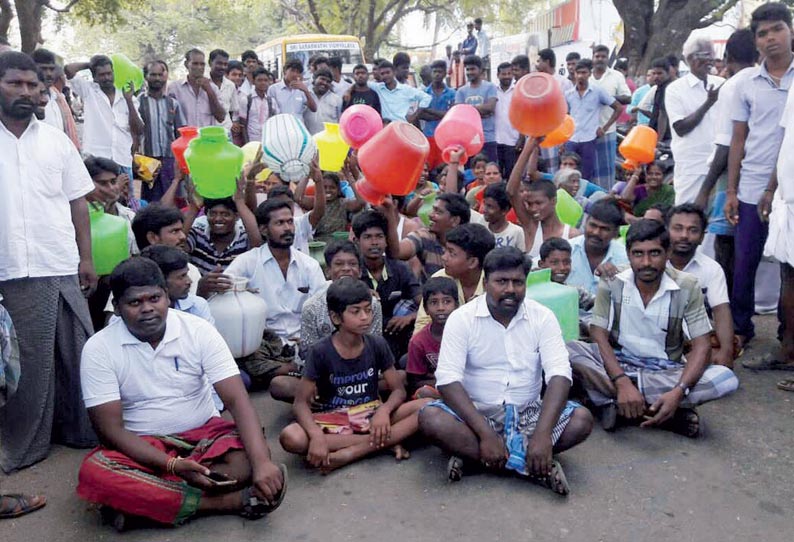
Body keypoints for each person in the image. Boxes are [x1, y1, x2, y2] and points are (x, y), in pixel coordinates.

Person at [76, 257, 286, 527]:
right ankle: (224, 502)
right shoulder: (98, 348)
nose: (148, 309)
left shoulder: (199, 331)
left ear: (167, 297)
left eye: (155, 298)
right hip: (142, 447)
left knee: (248, 462)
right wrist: (172, 465)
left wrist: (262, 465)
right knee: (96, 473)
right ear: (116, 308)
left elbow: (236, 400)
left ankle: (143, 502)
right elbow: (110, 431)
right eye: (135, 302)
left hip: (203, 438)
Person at [418, 247, 593, 493]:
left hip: (529, 414)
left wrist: (543, 434)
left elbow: (559, 375)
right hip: (476, 414)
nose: (510, 289)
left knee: (581, 420)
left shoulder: (542, 317)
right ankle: (533, 466)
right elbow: (447, 381)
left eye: (518, 282)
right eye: (501, 281)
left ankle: (477, 457)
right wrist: (486, 434)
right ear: (486, 282)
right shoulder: (462, 319)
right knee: (431, 418)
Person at [0, 51, 97, 472]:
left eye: (32, 85)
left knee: (76, 353)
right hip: (10, 269)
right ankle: (24, 445)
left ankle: (80, 431)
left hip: (59, 261)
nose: (25, 92)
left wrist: (86, 258)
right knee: (25, 363)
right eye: (14, 84)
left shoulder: (57, 140)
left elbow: (78, 204)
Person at [566, 220, 739, 436]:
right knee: (569, 350)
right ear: (628, 254)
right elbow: (598, 334)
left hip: (666, 371)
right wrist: (621, 381)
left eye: (654, 253)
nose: (646, 262)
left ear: (667, 253)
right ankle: (654, 411)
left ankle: (617, 404)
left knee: (724, 378)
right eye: (638, 254)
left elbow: (702, 345)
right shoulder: (613, 281)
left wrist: (679, 391)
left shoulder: (686, 285)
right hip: (619, 364)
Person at [279, 277, 428, 471]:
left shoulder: (376, 344)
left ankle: (352, 453)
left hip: (372, 414)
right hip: (333, 419)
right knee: (291, 437)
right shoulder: (320, 351)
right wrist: (316, 435)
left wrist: (383, 411)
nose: (365, 317)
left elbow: (398, 390)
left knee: (427, 406)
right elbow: (300, 404)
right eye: (356, 311)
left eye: (368, 309)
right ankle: (386, 443)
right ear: (336, 317)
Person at [724, 2, 794, 351]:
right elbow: (738, 139)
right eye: (763, 33)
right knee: (745, 261)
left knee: (790, 267)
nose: (770, 39)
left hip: (792, 191)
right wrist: (732, 192)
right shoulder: (744, 84)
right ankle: (740, 328)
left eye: (777, 29)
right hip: (752, 188)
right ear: (755, 42)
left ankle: (788, 335)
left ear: (791, 30)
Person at [222, 199, 326, 388]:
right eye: (280, 223)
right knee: (249, 355)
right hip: (265, 344)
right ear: (263, 230)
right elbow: (224, 293)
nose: (288, 228)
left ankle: (293, 371)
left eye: (290, 222)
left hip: (303, 341)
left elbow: (321, 308)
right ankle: (298, 372)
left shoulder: (309, 265)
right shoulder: (247, 262)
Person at [270, 242, 382, 404]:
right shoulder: (312, 306)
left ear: (360, 270)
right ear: (328, 271)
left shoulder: (372, 304)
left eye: (352, 264)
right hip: (324, 378)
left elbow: (375, 349)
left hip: (363, 375)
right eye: (338, 264)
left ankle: (328, 402)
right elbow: (308, 353)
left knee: (398, 379)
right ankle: (329, 399)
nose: (346, 268)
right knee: (279, 385)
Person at [693, 29, 757, 297]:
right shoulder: (760, 81)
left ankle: (726, 306)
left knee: (725, 245)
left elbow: (725, 145)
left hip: (730, 176)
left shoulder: (731, 87)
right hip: (756, 174)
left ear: (727, 57)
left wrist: (704, 190)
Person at [65, 54, 143, 200]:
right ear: (94, 77)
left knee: (126, 204)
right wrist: (90, 64)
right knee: (97, 202)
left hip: (122, 159)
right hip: (97, 160)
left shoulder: (127, 96)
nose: (106, 77)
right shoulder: (89, 91)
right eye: (101, 74)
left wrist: (129, 101)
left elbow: (138, 129)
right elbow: (68, 70)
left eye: (109, 73)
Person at [666, 205, 735, 368]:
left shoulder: (711, 268)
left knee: (722, 372)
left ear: (702, 237)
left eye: (693, 230)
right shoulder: (651, 261)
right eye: (678, 228)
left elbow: (721, 310)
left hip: (695, 341)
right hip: (654, 338)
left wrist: (726, 351)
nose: (684, 235)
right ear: (666, 231)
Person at [353, 210, 421, 359]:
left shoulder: (400, 269)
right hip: (363, 336)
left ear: (386, 240)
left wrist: (409, 317)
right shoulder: (353, 272)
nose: (374, 242)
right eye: (368, 237)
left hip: (398, 335)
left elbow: (423, 303)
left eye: (379, 236)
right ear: (357, 241)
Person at [664, 38, 724, 204]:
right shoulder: (675, 89)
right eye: (705, 55)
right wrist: (708, 104)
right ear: (690, 59)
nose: (710, 60)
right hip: (692, 164)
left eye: (711, 55)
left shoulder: (722, 84)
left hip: (720, 163)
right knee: (688, 212)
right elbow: (681, 128)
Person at [412, 223, 495, 336]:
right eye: (445, 250)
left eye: (451, 253)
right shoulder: (439, 278)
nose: (444, 257)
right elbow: (422, 324)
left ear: (472, 262)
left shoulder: (494, 285)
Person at [385, 192, 471, 279]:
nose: (430, 215)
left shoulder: (471, 244)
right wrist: (389, 214)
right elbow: (397, 252)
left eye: (438, 212)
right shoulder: (424, 236)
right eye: (433, 210)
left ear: (455, 220)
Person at [183, 183, 262, 276]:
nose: (218, 219)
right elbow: (179, 245)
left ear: (236, 216)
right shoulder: (197, 234)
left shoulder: (243, 238)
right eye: (212, 214)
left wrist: (239, 201)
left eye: (225, 214)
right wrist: (194, 209)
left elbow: (257, 243)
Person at [564, 59, 622, 185]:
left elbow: (618, 108)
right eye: (578, 73)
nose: (580, 76)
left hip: (589, 139)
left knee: (586, 175)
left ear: (589, 74)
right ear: (574, 74)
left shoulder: (597, 91)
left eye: (584, 73)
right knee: (568, 173)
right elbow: (564, 115)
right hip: (571, 139)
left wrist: (605, 128)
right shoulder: (568, 94)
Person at [131, 203, 203, 296]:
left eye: (181, 230)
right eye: (174, 231)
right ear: (152, 238)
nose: (183, 236)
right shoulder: (130, 273)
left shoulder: (191, 271)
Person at [138, 60, 185, 203]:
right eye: (153, 74)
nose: (157, 78)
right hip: (147, 160)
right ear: (146, 76)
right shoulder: (138, 102)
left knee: (172, 200)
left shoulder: (173, 103)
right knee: (151, 202)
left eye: (160, 74)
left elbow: (180, 134)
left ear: (166, 76)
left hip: (170, 160)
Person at [406, 277, 458, 398]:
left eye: (447, 301)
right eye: (434, 302)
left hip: (468, 388)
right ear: (425, 309)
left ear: (457, 305)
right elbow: (415, 382)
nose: (441, 308)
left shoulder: (468, 333)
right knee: (424, 393)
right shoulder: (418, 341)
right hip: (437, 391)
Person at [565, 199, 628, 295]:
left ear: (615, 232)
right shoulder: (566, 250)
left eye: (604, 229)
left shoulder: (625, 259)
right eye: (593, 225)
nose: (596, 232)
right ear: (585, 223)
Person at [589, 45, 631, 189]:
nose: (600, 59)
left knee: (606, 173)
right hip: (585, 133)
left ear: (608, 59)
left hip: (607, 131)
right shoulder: (585, 75)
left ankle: (604, 202)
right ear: (592, 57)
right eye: (597, 56)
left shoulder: (616, 76)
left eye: (603, 56)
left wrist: (607, 98)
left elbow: (627, 98)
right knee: (586, 173)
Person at [139, 245, 213, 323]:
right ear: (162, 281)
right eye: (182, 276)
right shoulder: (142, 311)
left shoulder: (197, 305)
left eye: (187, 274)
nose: (189, 281)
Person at [31, 48, 79, 149]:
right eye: (43, 69)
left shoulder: (57, 98)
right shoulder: (27, 99)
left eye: (51, 69)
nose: (49, 73)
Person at [167, 49, 226, 128]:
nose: (199, 67)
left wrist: (209, 90)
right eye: (195, 64)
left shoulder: (213, 88)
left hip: (206, 138)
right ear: (186, 64)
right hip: (184, 138)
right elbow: (169, 118)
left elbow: (221, 117)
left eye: (202, 64)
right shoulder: (175, 88)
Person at [455, 55, 498, 162]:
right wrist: (481, 111)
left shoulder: (490, 87)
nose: (469, 72)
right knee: (471, 174)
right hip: (468, 140)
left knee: (489, 170)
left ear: (480, 70)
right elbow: (459, 113)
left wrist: (468, 110)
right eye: (467, 69)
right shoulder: (461, 91)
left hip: (487, 138)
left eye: (473, 69)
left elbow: (490, 107)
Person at [421, 59, 457, 161]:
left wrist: (429, 110)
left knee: (443, 167)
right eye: (434, 72)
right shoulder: (423, 93)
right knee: (428, 168)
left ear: (445, 73)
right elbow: (420, 114)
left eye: (440, 72)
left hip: (446, 137)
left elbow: (452, 115)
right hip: (428, 135)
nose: (437, 74)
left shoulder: (452, 93)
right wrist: (444, 115)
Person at [637, 57, 673, 143]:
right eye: (654, 73)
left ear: (668, 73)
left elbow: (663, 115)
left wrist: (658, 141)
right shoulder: (658, 88)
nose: (656, 76)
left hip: (665, 137)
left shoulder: (666, 89)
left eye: (660, 73)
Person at [482, 183, 526, 251]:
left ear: (504, 210)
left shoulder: (517, 233)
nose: (484, 210)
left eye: (490, 206)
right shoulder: (479, 226)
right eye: (484, 204)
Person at [494, 62, 519, 178]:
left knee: (511, 173)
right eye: (504, 74)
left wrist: (522, 138)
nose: (507, 76)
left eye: (509, 73)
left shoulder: (518, 91)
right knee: (496, 173)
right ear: (498, 75)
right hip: (495, 139)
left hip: (513, 140)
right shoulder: (493, 91)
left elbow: (523, 115)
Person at [208, 49, 239, 134]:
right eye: (219, 63)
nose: (223, 67)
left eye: (225, 64)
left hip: (225, 133)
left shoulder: (230, 85)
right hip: (207, 132)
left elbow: (232, 110)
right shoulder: (203, 83)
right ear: (210, 63)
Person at [238, 67, 273, 144]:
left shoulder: (270, 101)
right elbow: (242, 125)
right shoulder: (246, 100)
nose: (263, 83)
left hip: (266, 141)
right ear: (253, 81)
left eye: (266, 80)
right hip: (251, 140)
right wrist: (247, 143)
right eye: (259, 80)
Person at [303, 68, 342, 135]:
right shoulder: (304, 95)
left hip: (328, 141)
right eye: (322, 79)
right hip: (308, 140)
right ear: (314, 79)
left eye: (328, 81)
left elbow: (340, 122)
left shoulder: (336, 99)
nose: (324, 83)